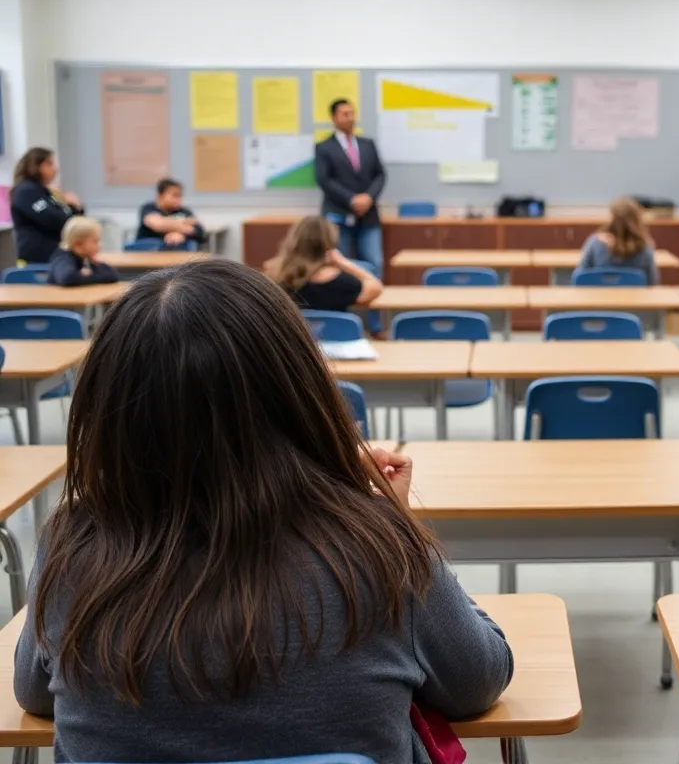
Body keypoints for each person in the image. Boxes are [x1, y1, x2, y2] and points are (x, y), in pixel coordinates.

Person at [15, 260, 514, 762]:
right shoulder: (378, 550)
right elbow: (478, 680)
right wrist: (399, 528)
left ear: (107, 409)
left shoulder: (70, 550)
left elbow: (34, 692)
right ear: (297, 390)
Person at [315, 99, 387, 276]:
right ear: (334, 118)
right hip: (338, 215)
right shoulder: (324, 147)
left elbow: (380, 174)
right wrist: (351, 199)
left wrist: (368, 197)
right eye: (345, 114)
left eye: (352, 113)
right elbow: (324, 180)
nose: (350, 118)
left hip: (368, 215)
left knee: (374, 262)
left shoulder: (367, 145)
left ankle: (374, 302)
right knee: (341, 263)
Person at [265, 215, 383, 312]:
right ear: (329, 243)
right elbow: (375, 287)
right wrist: (344, 263)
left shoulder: (275, 278)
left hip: (292, 340)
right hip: (335, 339)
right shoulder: (344, 283)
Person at [10, 147, 84, 264]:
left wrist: (74, 207)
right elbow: (53, 219)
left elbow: (75, 222)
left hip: (56, 254)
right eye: (49, 164)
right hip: (38, 257)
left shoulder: (45, 192)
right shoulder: (26, 190)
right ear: (36, 166)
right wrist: (70, 207)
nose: (56, 169)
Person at [576, 196, 659, 284]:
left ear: (611, 220)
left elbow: (579, 278)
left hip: (600, 297)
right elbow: (652, 283)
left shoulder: (595, 243)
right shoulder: (645, 248)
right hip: (634, 298)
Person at [47, 217, 119, 286]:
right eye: (95, 241)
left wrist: (98, 265)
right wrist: (91, 276)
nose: (100, 245)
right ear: (78, 245)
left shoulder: (85, 257)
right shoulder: (62, 257)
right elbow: (67, 278)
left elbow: (113, 276)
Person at [136, 178, 205, 250]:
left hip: (179, 250)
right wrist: (184, 222)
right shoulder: (149, 208)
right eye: (174, 195)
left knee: (191, 244)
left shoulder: (184, 211)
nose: (178, 199)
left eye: (180, 196)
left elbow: (199, 231)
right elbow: (158, 224)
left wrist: (180, 234)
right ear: (160, 195)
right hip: (149, 251)